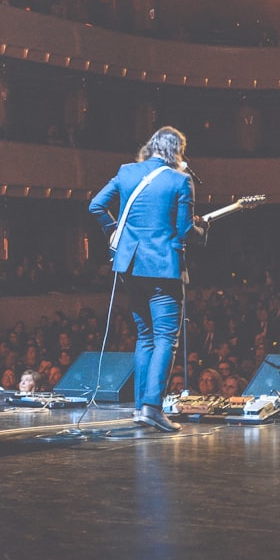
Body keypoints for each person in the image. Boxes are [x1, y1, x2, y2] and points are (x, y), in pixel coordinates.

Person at [89, 126, 206, 433]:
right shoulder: (181, 180)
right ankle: (152, 408)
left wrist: (112, 231)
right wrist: (203, 230)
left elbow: (96, 205)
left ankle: (141, 406)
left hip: (128, 266)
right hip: (162, 269)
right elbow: (184, 232)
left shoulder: (126, 172)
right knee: (166, 337)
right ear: (176, 151)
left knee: (145, 336)